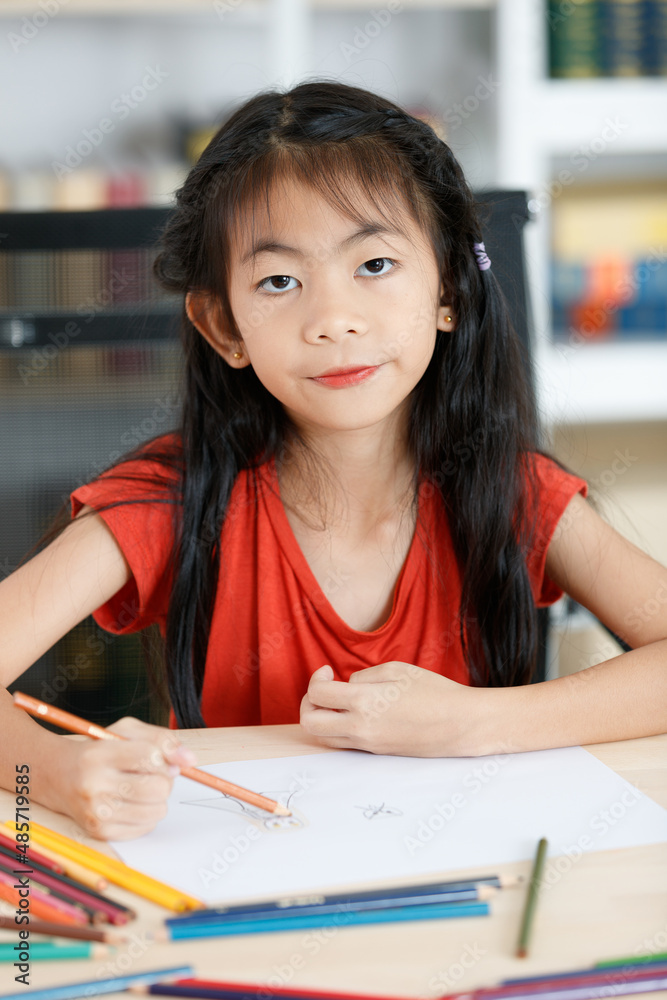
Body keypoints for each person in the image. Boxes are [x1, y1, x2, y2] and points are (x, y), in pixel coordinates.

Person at [1, 81, 666, 843]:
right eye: (279, 281)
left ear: (448, 284)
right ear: (224, 327)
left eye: (374, 264)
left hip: (470, 876)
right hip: (241, 901)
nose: (333, 320)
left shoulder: (509, 491)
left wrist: (478, 722)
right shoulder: (171, 502)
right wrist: (46, 775)